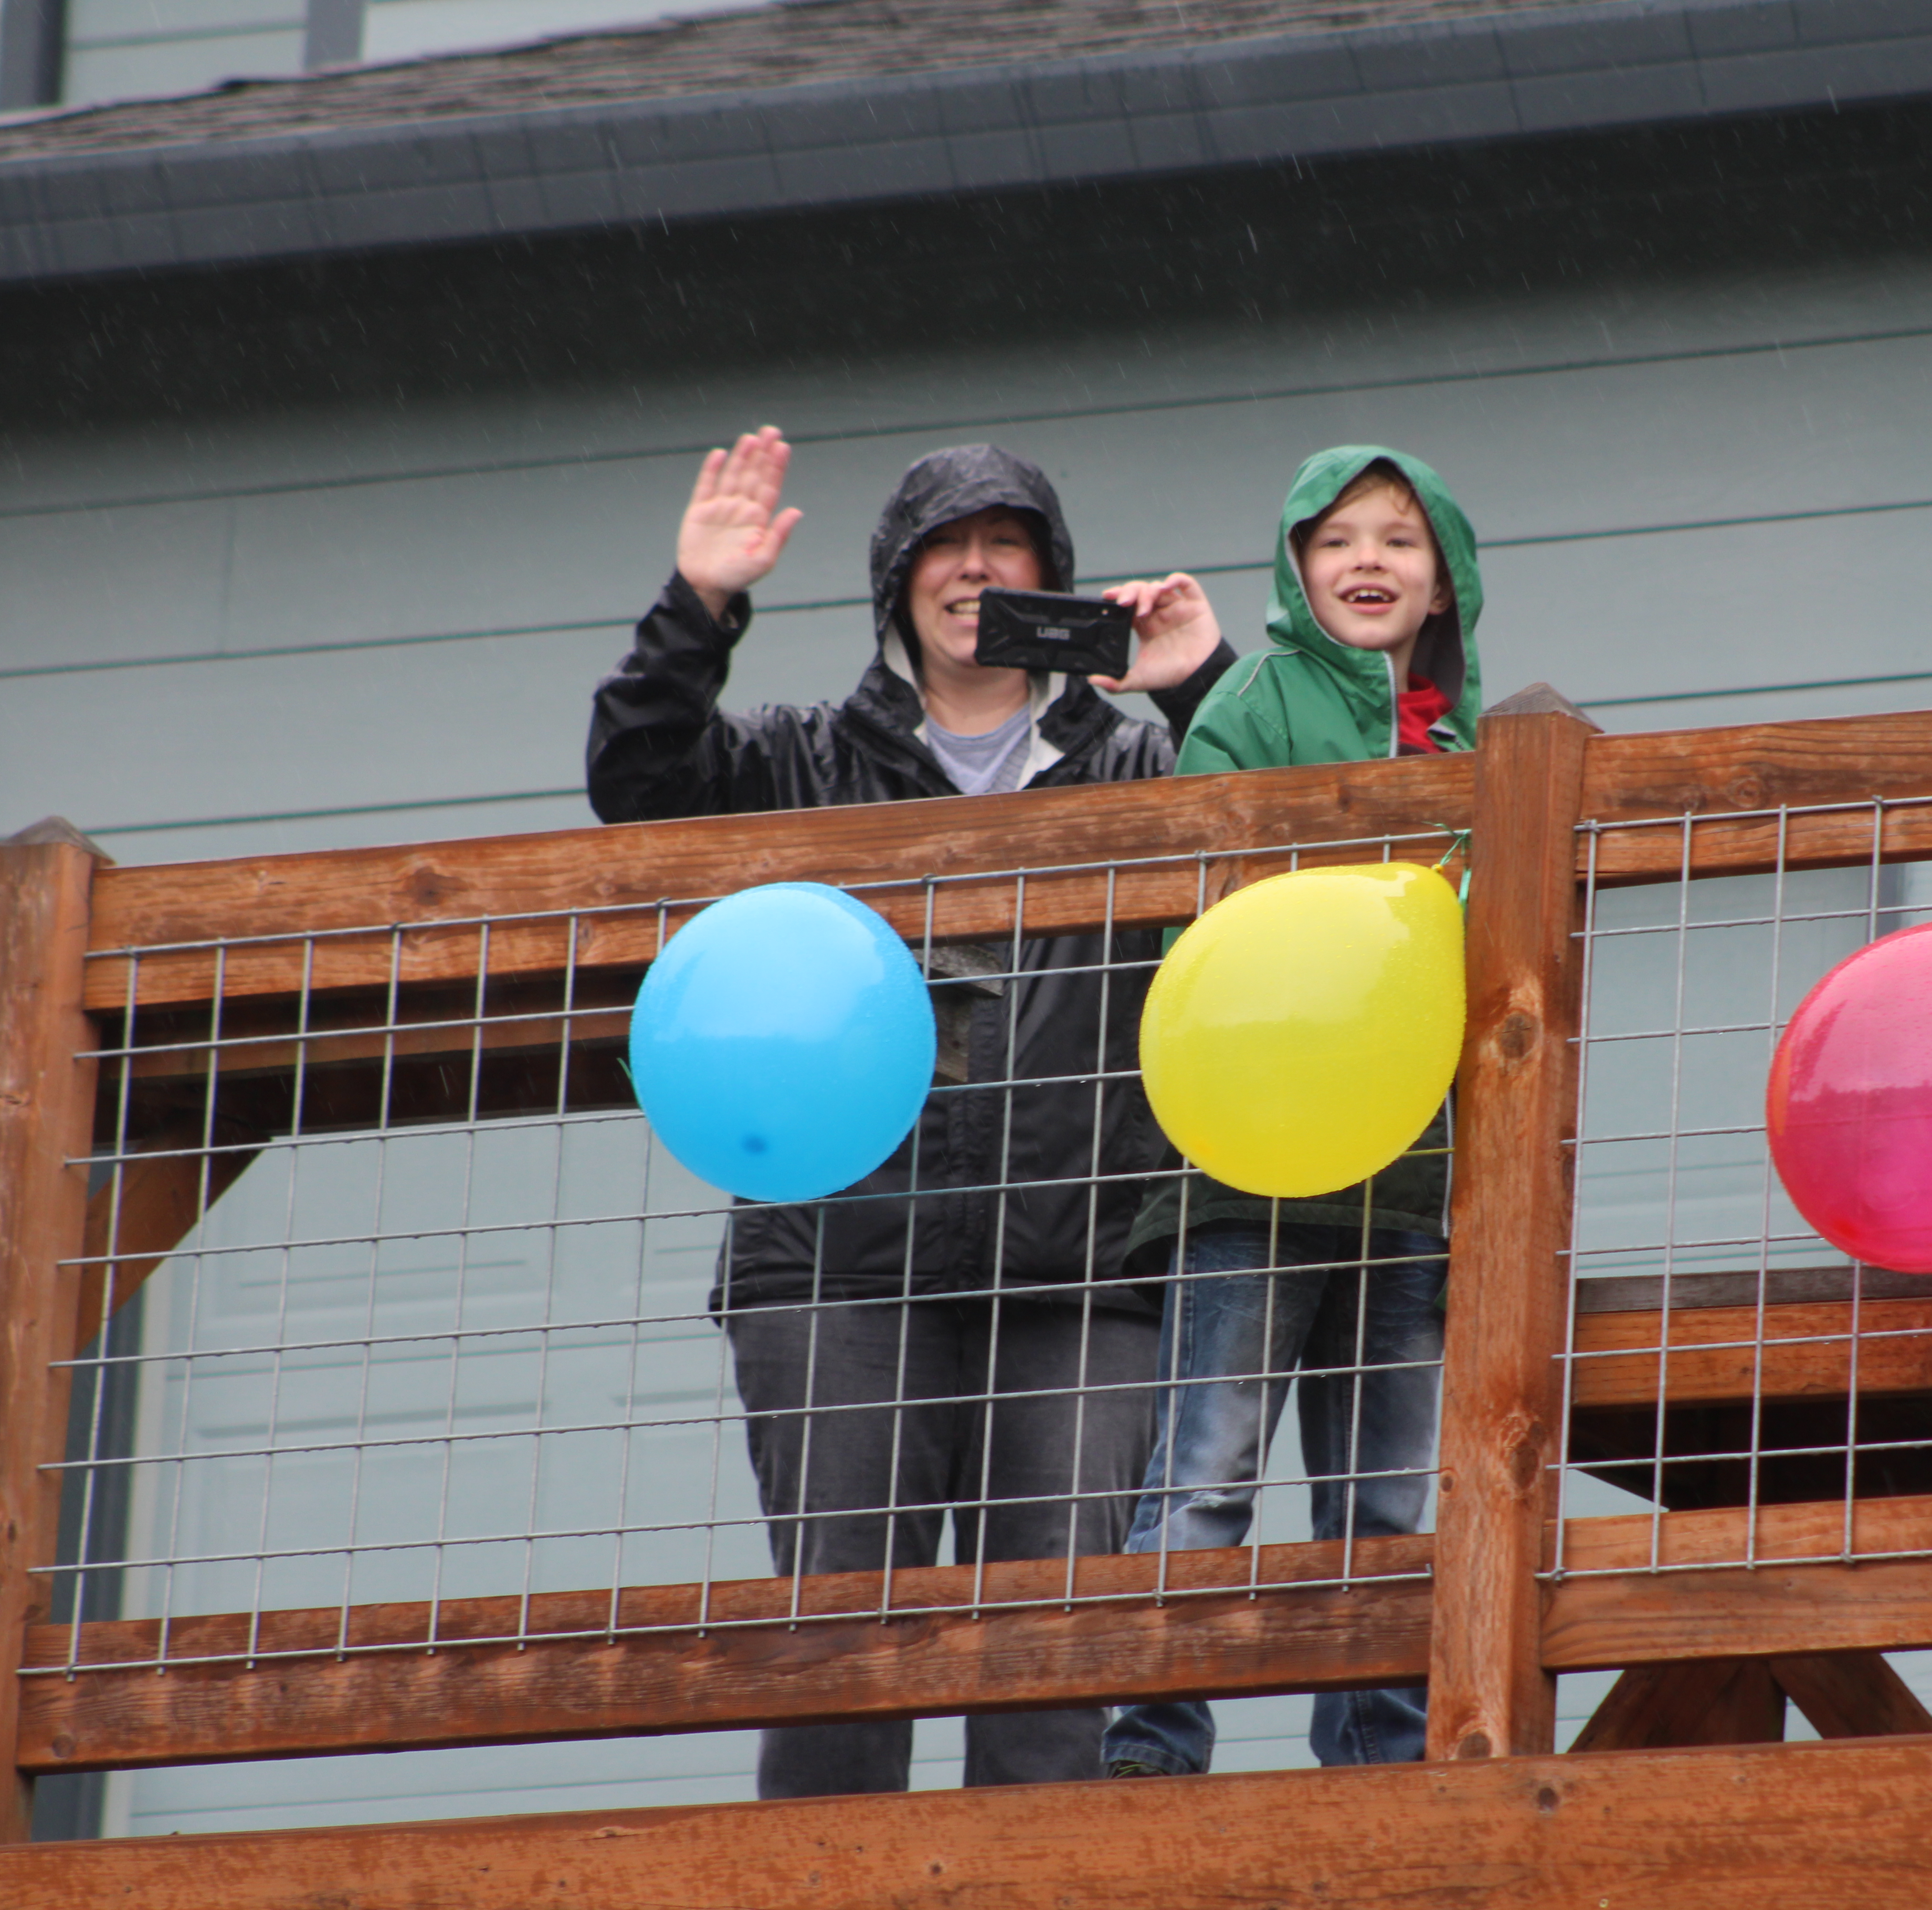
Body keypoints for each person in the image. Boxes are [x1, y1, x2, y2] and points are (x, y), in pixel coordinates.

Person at [587, 427, 1232, 1798]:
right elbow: (638, 790)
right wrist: (699, 607)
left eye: (1010, 549)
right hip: (837, 1269)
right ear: (898, 585)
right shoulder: (801, 756)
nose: (977, 571)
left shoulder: (1137, 766)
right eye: (948, 547)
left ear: (1054, 590)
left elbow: (1292, 839)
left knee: (1049, 1670)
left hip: (1083, 1280)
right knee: (838, 1654)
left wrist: (1199, 687)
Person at [1098, 445, 1485, 1779]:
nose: (1368, 562)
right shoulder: (1252, 705)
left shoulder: (1478, 750)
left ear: (1446, 581)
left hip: (1410, 1176)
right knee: (1206, 1477)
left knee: (1387, 1500)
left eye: (1399, 539)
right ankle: (1153, 1752)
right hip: (1251, 1169)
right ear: (1296, 571)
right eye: (1336, 541)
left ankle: (1382, 1761)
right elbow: (1187, 910)